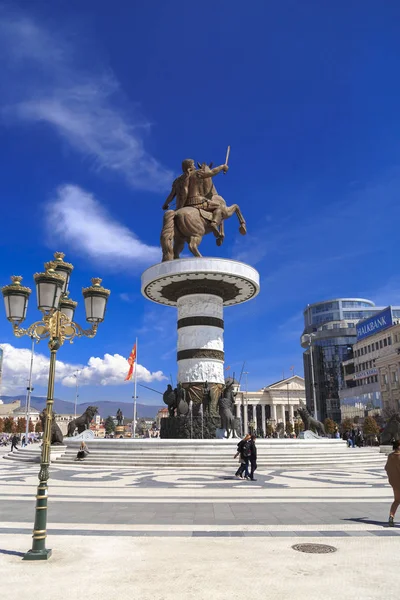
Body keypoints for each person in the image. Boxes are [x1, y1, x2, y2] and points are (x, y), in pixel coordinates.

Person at [385, 440, 400, 526]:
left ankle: (391, 516)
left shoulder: (390, 456)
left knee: (397, 500)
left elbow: (386, 467)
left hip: (395, 483)